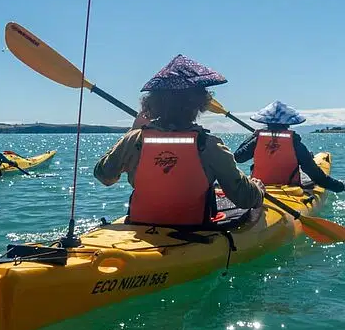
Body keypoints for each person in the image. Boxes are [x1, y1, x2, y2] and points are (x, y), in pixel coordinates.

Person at [93, 54, 265, 227]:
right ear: (199, 103)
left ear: (152, 103)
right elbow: (245, 198)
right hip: (192, 232)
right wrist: (257, 188)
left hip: (140, 227)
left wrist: (133, 130)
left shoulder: (134, 139)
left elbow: (104, 176)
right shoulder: (210, 145)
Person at [233, 100, 345, 193]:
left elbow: (238, 157)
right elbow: (316, 175)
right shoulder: (295, 143)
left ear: (266, 123)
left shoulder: (256, 140)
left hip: (260, 186)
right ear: (288, 124)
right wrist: (339, 186)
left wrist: (253, 137)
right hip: (288, 188)